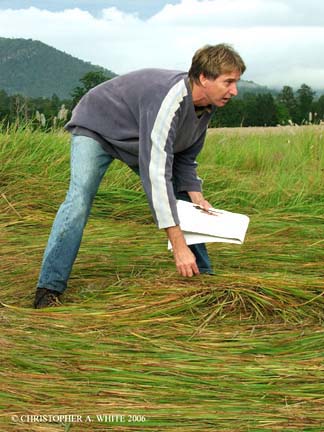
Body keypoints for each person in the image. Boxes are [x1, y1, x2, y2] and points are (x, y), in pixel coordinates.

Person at [34, 43, 246, 309]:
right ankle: (48, 287)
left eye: (236, 82)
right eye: (228, 82)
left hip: (137, 135)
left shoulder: (206, 107)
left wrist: (196, 195)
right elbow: (156, 174)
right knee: (79, 200)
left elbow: (185, 157)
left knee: (182, 198)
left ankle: (202, 277)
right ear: (204, 77)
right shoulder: (169, 100)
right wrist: (177, 246)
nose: (234, 91)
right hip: (96, 127)